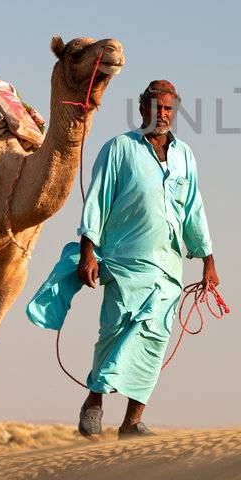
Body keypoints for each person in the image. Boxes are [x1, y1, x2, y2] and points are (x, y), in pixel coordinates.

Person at [75, 79, 218, 438]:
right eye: (156, 107)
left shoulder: (185, 155)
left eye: (169, 108)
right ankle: (94, 401)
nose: (163, 114)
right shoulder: (119, 149)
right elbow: (97, 201)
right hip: (126, 261)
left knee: (154, 340)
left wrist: (208, 260)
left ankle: (132, 420)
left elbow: (194, 210)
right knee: (115, 330)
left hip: (169, 266)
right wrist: (87, 252)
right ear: (143, 109)